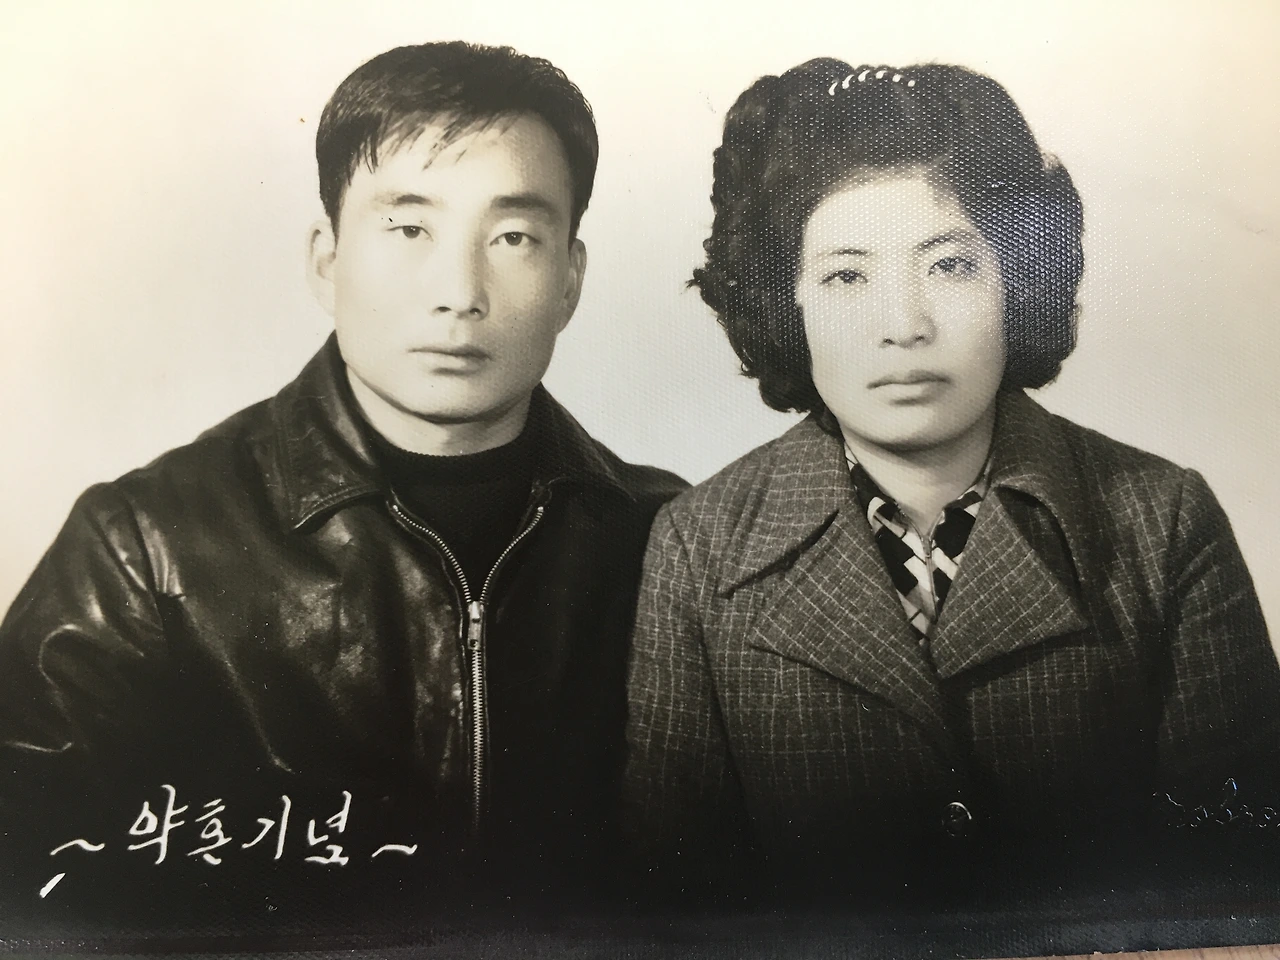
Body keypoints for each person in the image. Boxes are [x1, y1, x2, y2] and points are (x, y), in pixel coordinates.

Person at [0, 41, 684, 924]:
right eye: (409, 230)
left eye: (513, 237)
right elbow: (30, 898)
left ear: (570, 281)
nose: (460, 293)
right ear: (325, 260)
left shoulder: (673, 541)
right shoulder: (142, 548)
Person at [623, 59, 1280, 903]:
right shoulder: (697, 544)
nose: (904, 326)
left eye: (951, 266)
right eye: (847, 276)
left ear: (1020, 281)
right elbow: (676, 905)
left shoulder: (1165, 521)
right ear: (789, 305)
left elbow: (1241, 889)